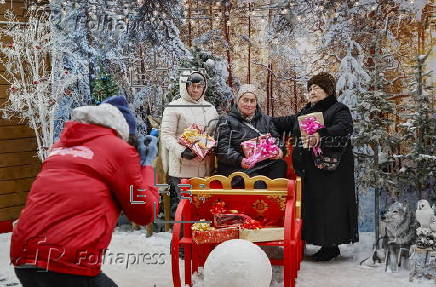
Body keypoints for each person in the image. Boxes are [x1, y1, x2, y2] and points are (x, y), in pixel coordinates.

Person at [10, 95, 160, 286]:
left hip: (24, 257)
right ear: (123, 131)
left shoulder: (60, 148)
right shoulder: (118, 149)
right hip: (67, 262)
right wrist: (146, 165)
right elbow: (145, 212)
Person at [273, 72, 359, 261]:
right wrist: (265, 120)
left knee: (330, 205)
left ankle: (331, 246)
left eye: (317, 88)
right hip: (311, 169)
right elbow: (290, 122)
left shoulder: (338, 109)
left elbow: (344, 128)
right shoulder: (306, 112)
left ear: (327, 90)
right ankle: (318, 241)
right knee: (316, 205)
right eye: (310, 88)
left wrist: (321, 134)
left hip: (332, 169)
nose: (312, 92)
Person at [160, 70, 218, 218]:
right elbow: (166, 135)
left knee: (203, 207)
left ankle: (201, 238)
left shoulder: (210, 108)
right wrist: (181, 151)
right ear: (184, 86)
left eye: (199, 86)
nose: (196, 90)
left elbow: (214, 132)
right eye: (192, 86)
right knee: (186, 208)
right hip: (182, 168)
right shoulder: (174, 107)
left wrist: (212, 146)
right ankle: (183, 238)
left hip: (204, 167)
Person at [215, 84, 286, 185]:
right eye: (245, 100)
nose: (249, 104)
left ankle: (274, 198)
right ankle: (264, 199)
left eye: (252, 101)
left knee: (280, 164)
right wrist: (240, 160)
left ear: (256, 102)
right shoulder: (226, 121)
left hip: (263, 165)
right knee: (256, 182)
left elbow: (277, 140)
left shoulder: (266, 120)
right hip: (237, 168)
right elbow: (221, 148)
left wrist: (279, 151)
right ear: (238, 100)